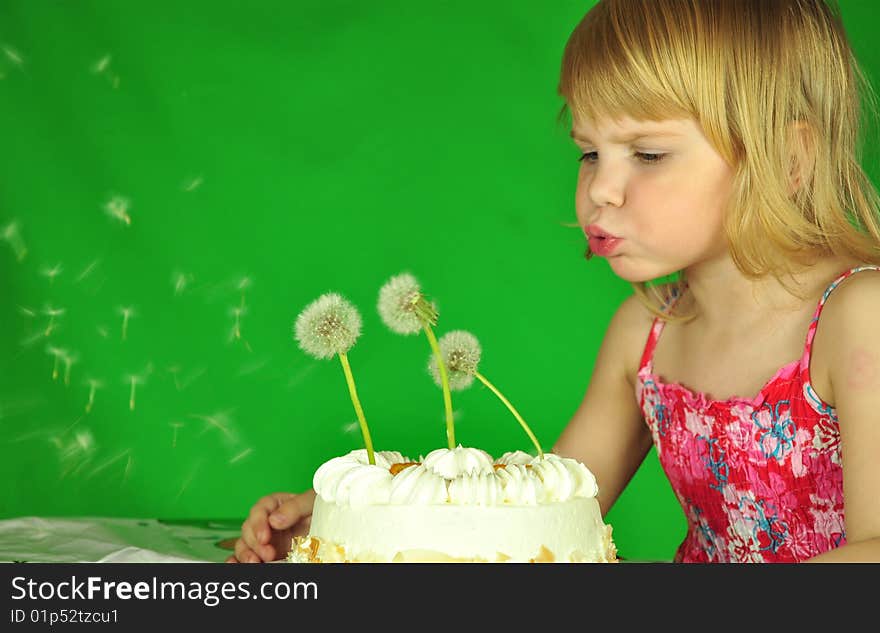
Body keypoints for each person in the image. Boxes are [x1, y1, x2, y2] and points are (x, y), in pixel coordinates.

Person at [228, 0, 880, 563]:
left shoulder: (858, 318)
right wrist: (358, 522)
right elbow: (543, 517)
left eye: (648, 154)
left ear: (790, 160)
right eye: (590, 152)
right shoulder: (646, 333)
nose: (599, 189)